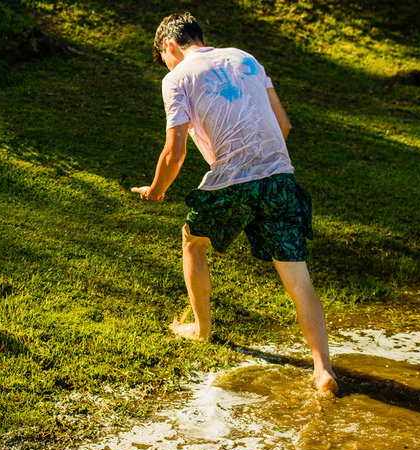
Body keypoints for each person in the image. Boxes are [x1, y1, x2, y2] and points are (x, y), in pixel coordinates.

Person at [132, 13, 338, 395]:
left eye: (164, 57)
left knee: (192, 240)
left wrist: (157, 191)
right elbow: (285, 125)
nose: (167, 63)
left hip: (233, 180)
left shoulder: (176, 77)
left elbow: (174, 151)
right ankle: (322, 369)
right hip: (279, 178)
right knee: (298, 277)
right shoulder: (246, 58)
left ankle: (201, 329)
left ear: (169, 46)